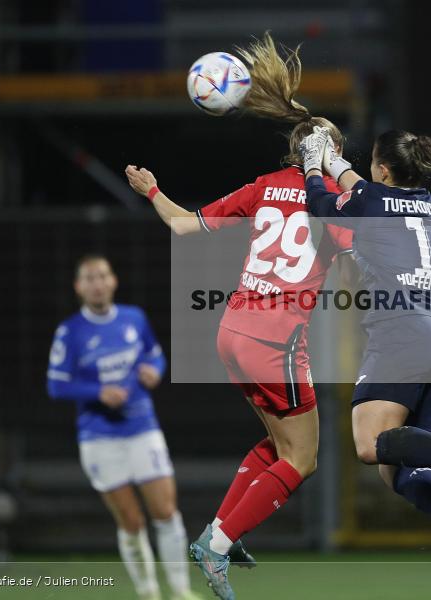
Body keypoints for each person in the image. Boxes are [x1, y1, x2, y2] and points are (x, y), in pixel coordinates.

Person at [124, 33, 353, 600]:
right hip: (277, 341)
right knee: (303, 458)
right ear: (329, 157)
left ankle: (221, 530)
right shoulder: (338, 204)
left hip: (232, 331)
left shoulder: (266, 186)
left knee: (277, 445)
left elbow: (182, 226)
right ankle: (219, 542)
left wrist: (153, 189)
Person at [298, 126, 431, 588]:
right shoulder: (425, 201)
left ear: (384, 169)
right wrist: (331, 158)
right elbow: (364, 188)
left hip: (403, 333)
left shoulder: (372, 201)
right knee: (400, 469)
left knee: (370, 444)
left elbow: (320, 202)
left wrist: (314, 163)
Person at [46, 254, 202, 600]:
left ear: (113, 280)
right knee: (131, 522)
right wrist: (97, 392)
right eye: (89, 278)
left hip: (142, 427)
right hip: (100, 437)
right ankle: (148, 592)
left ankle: (180, 591)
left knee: (165, 512)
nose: (97, 283)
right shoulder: (70, 332)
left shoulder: (134, 318)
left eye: (102, 275)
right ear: (78, 287)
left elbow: (155, 354)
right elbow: (56, 385)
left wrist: (155, 370)